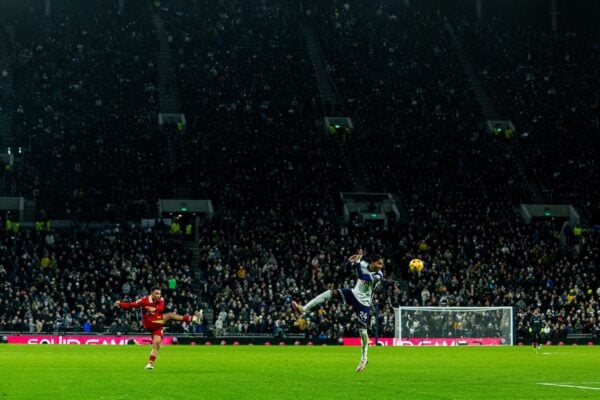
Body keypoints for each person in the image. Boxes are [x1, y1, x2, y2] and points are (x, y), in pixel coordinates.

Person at [292, 251, 384, 372]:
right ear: (372, 262)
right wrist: (350, 261)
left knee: (362, 330)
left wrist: (356, 263)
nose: (381, 266)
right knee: (329, 293)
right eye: (379, 263)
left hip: (363, 303)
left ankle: (364, 357)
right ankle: (303, 309)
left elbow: (363, 277)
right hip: (353, 293)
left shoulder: (378, 275)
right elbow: (346, 269)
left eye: (381, 264)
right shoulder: (362, 264)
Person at [114, 286, 202, 369]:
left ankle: (150, 364)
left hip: (158, 324)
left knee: (156, 344)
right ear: (151, 293)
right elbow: (131, 305)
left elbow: (160, 309)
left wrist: (153, 309)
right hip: (149, 323)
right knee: (170, 315)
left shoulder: (161, 299)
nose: (159, 295)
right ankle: (194, 318)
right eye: (157, 293)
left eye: (159, 294)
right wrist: (120, 304)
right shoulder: (144, 300)